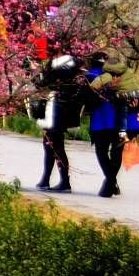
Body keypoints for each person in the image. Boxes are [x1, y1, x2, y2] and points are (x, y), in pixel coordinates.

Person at [35, 55, 81, 193]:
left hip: (54, 109)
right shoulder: (74, 66)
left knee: (53, 146)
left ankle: (61, 181)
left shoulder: (57, 67)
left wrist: (37, 73)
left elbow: (42, 83)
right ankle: (48, 179)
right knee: (55, 146)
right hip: (63, 110)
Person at [87, 71, 127, 197]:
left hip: (101, 126)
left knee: (102, 153)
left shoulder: (97, 82)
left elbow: (88, 102)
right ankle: (111, 183)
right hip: (117, 126)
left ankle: (110, 182)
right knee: (115, 154)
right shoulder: (124, 87)